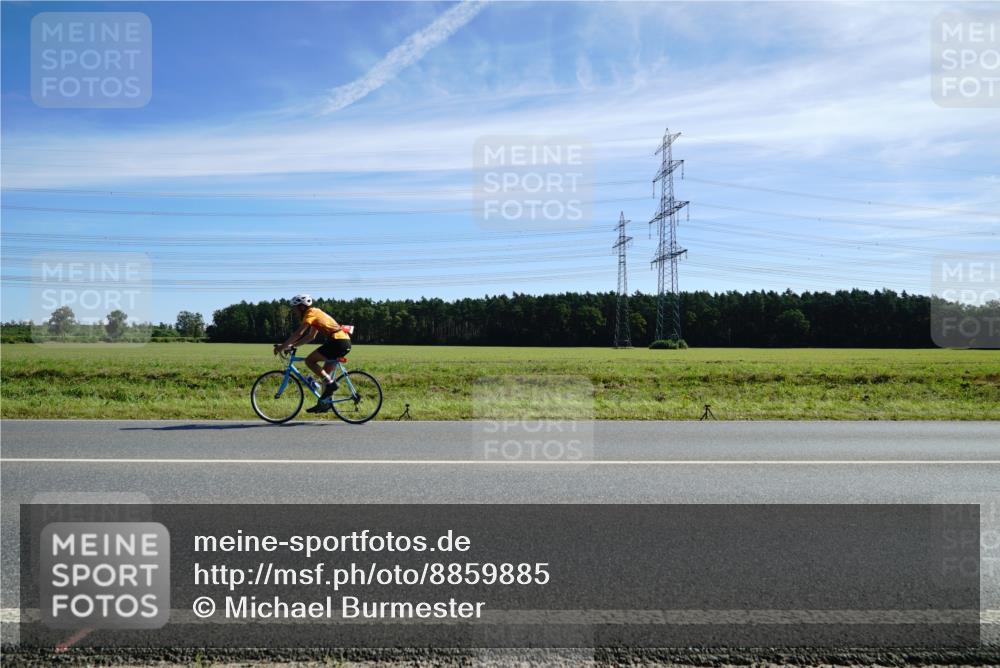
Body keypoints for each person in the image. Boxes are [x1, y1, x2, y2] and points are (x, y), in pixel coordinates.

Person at [273, 294, 351, 413]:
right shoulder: (315, 312)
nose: (294, 311)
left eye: (295, 308)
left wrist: (282, 347)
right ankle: (325, 404)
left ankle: (331, 385)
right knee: (325, 375)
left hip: (337, 342)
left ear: (302, 307)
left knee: (310, 361)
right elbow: (310, 336)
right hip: (343, 342)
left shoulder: (310, 313)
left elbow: (299, 333)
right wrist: (292, 346)